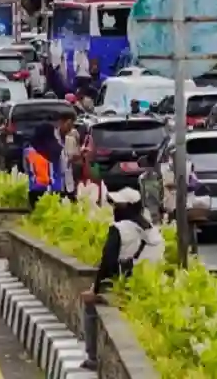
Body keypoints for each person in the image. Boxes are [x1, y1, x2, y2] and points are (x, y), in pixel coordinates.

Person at [80, 187, 163, 371]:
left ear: (127, 207)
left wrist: (95, 290)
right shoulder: (152, 231)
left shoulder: (119, 229)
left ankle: (92, 357)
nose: (115, 208)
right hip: (148, 286)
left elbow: (107, 263)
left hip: (121, 286)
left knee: (90, 307)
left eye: (118, 205)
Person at [24, 122, 65, 206]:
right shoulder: (59, 150)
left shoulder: (28, 151)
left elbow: (26, 169)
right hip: (55, 191)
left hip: (35, 190)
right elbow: (63, 170)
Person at [57, 109, 83, 198]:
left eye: (72, 126)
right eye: (69, 124)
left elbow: (76, 158)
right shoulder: (54, 139)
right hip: (56, 184)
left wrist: (76, 158)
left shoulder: (71, 138)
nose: (70, 128)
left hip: (68, 183)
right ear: (61, 122)